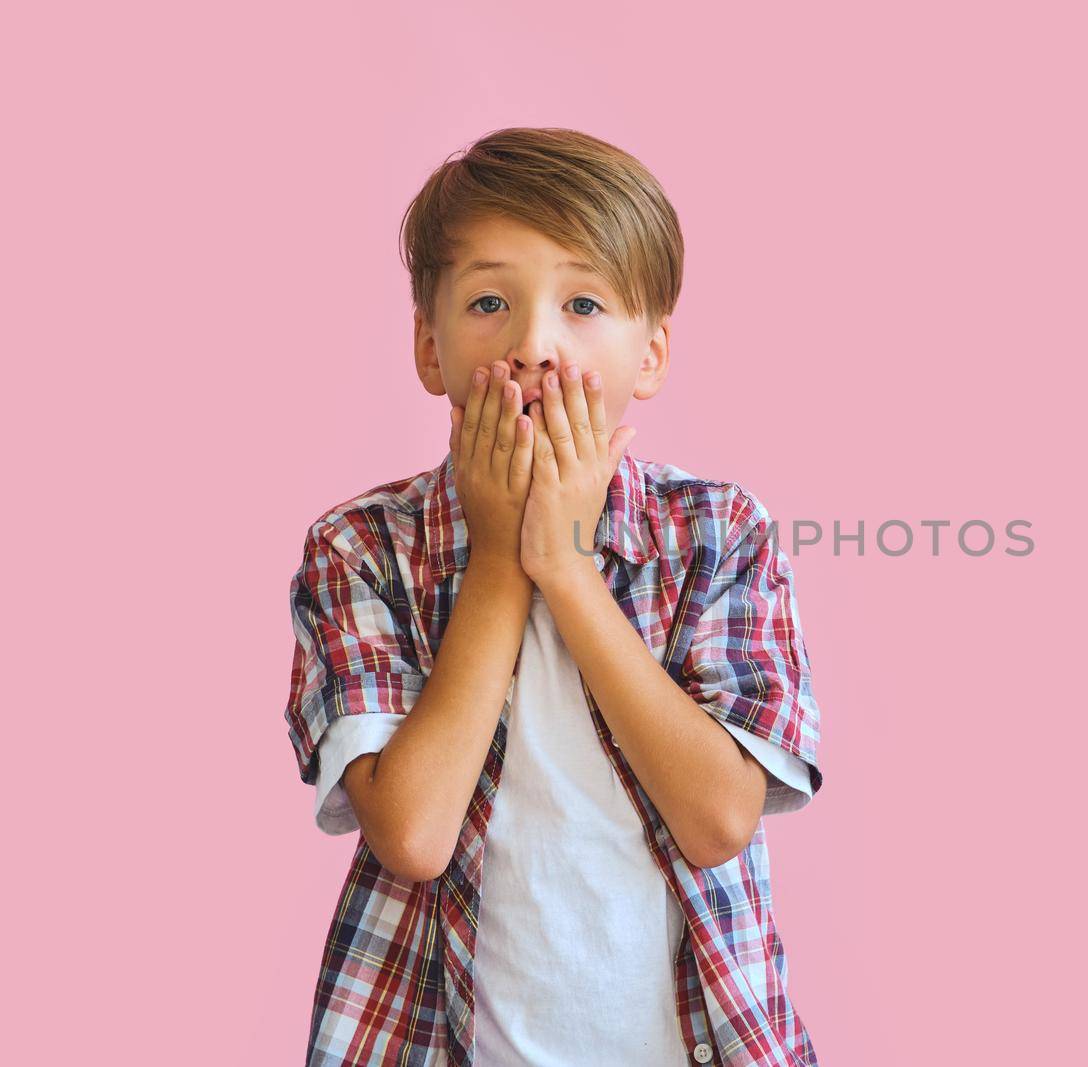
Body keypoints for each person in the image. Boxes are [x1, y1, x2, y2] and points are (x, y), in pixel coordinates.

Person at [282, 127, 824, 1067]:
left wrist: (569, 569)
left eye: (582, 303)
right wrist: (499, 562)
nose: (534, 343)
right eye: (490, 302)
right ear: (428, 344)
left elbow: (719, 819)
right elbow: (411, 832)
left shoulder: (717, 531)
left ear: (650, 354)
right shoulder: (360, 548)